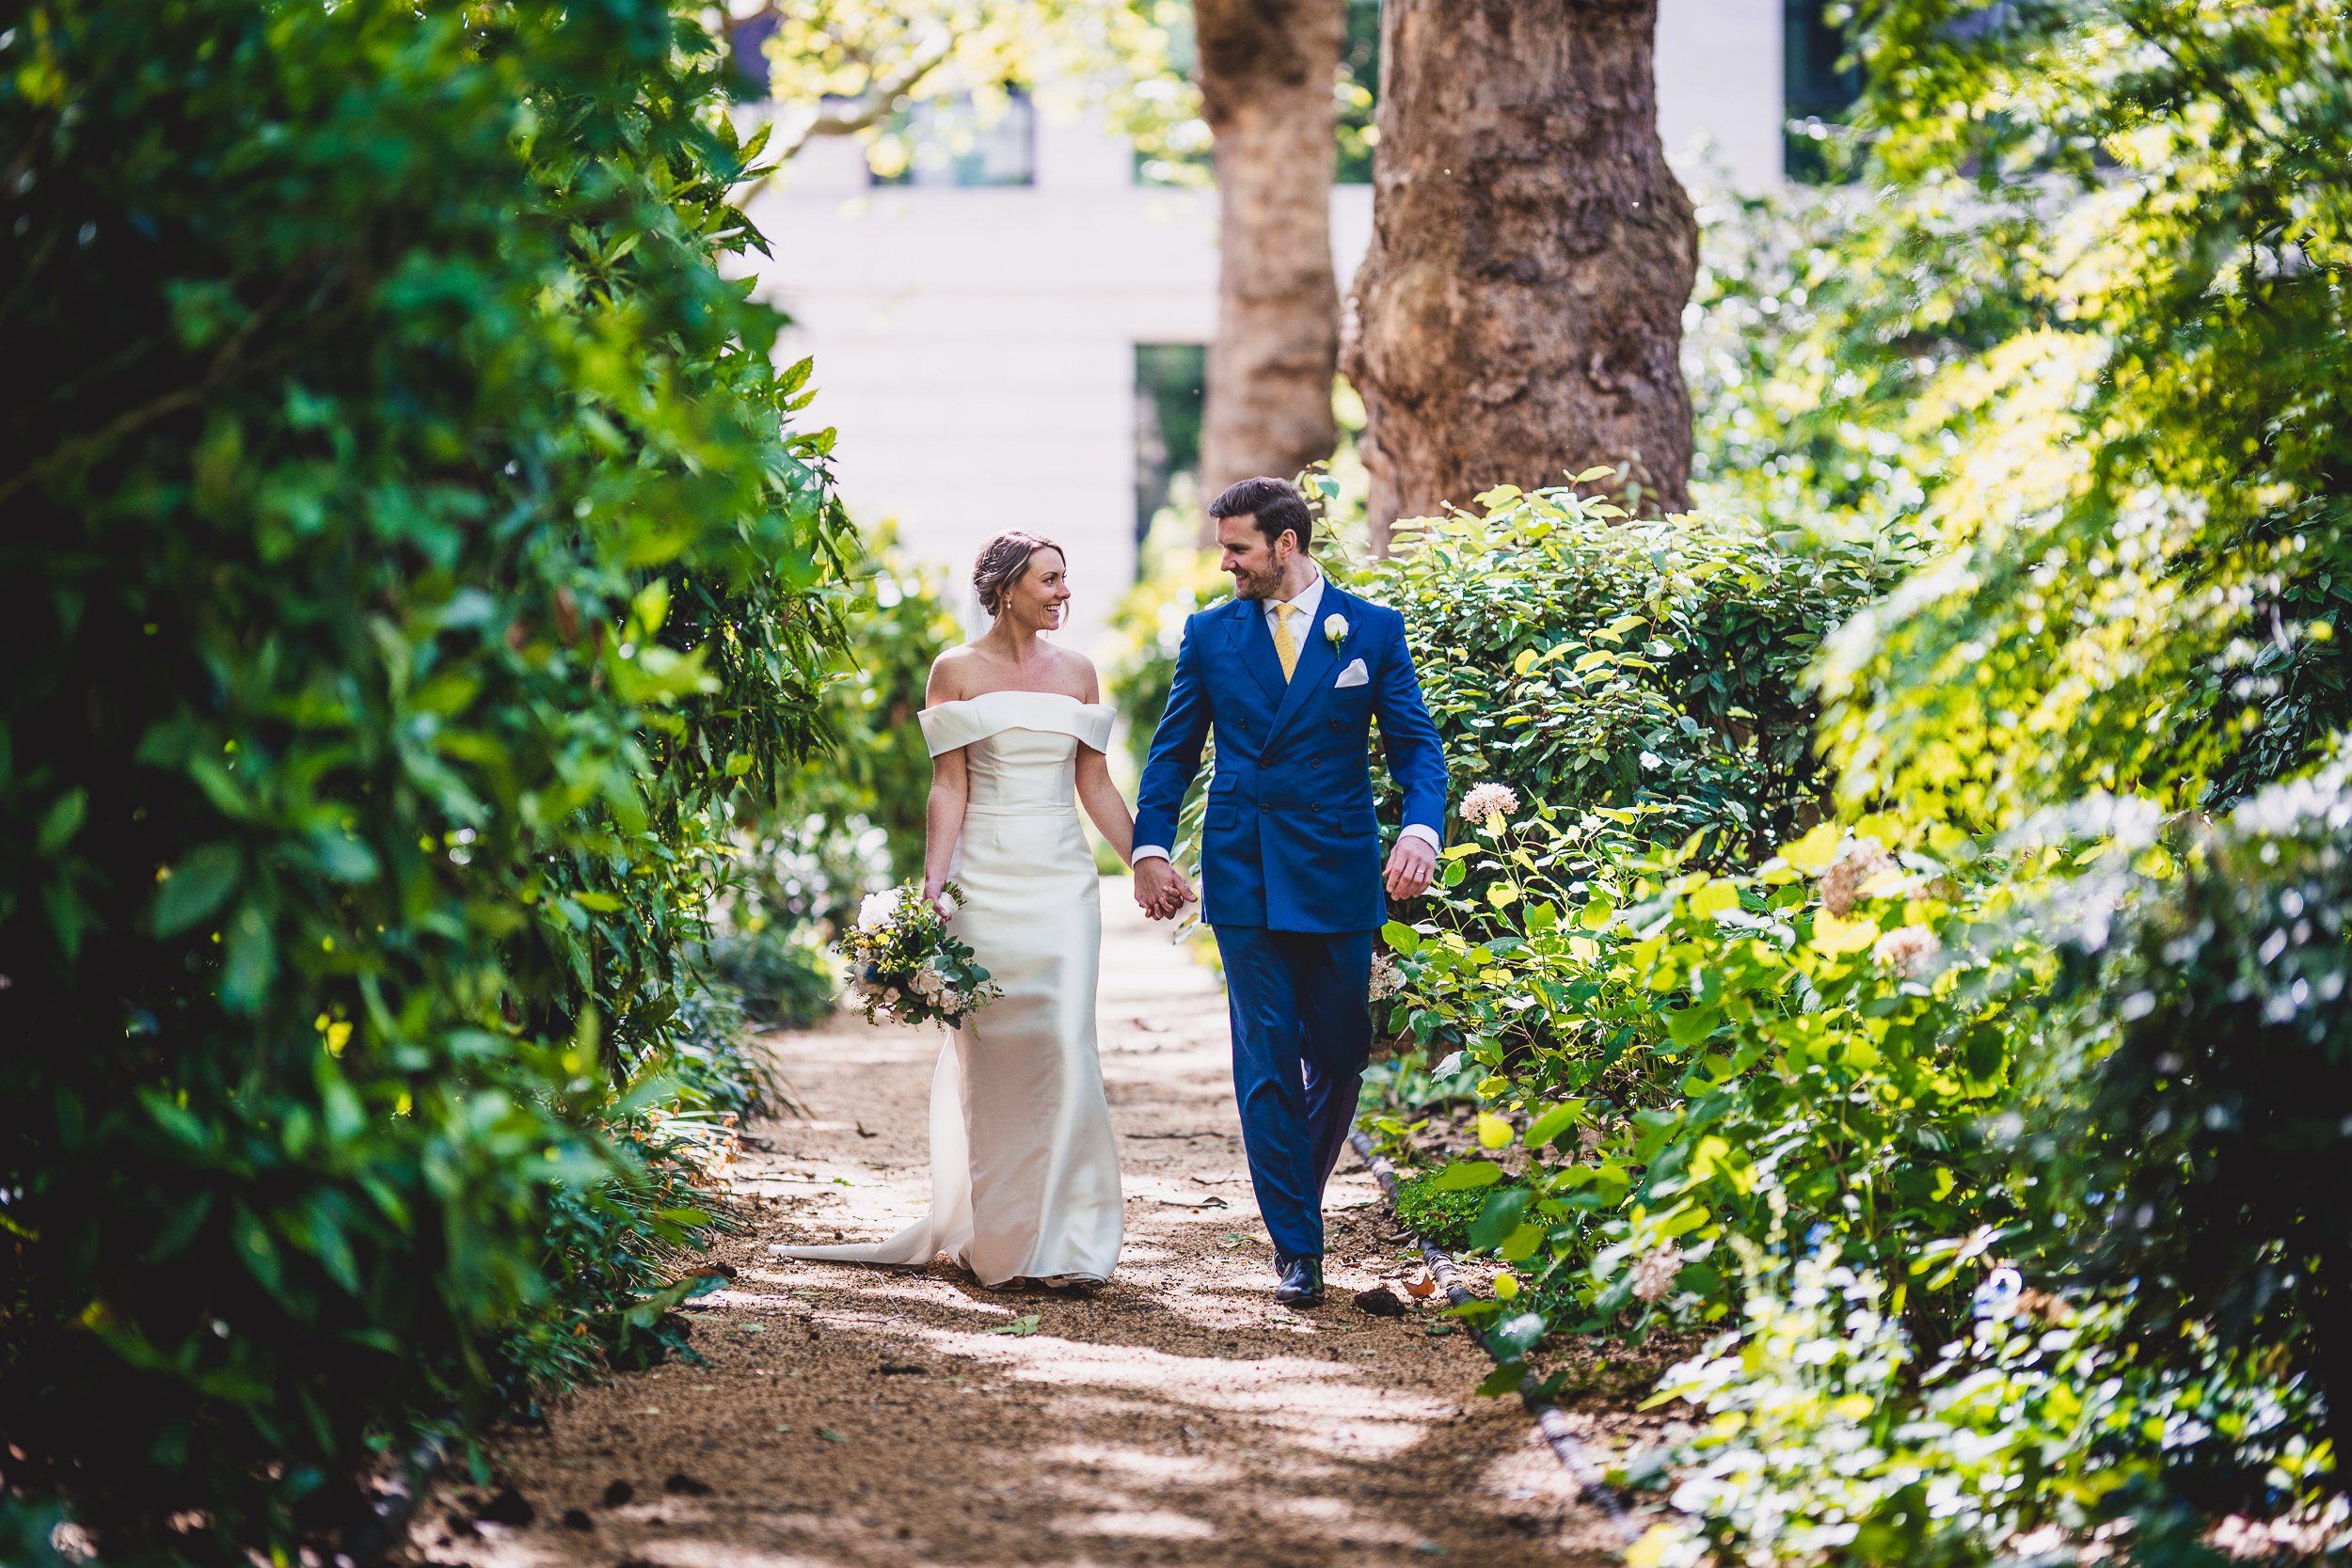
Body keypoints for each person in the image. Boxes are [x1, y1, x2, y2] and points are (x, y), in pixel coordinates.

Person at [774, 531, 1131, 1289]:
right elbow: (949, 786)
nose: (1064, 593)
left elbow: (1094, 784)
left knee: (1067, 1044)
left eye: (1066, 579)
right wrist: (934, 888)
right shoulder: (955, 670)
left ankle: (1069, 1243)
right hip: (986, 884)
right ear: (1005, 588)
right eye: (1050, 580)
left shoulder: (1080, 672)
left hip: (1064, 884)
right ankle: (1001, 1238)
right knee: (995, 1059)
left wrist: (1146, 861)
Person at [1131, 477, 1449, 1307]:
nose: (1226, 563)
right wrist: (1151, 846)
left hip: (1340, 865)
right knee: (1266, 1057)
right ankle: (1297, 1249)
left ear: (1286, 544)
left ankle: (1292, 1203)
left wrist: (1420, 829)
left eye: (1238, 548)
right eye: (1222, 548)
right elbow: (1172, 753)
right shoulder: (1208, 634)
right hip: (1245, 864)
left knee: (1341, 1051)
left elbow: (1417, 745)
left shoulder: (1371, 629)